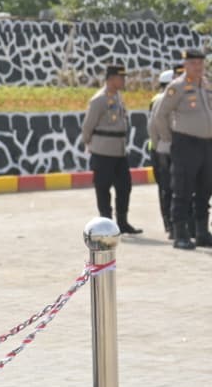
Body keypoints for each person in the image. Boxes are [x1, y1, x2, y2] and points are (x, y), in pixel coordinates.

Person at [152, 48, 212, 250]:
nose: (198, 67)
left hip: (206, 144)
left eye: (201, 63)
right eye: (194, 63)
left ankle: (202, 232)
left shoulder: (205, 84)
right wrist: (170, 139)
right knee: (183, 189)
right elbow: (160, 115)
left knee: (205, 188)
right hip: (185, 143)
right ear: (185, 65)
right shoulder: (176, 87)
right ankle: (181, 234)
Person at [83, 63, 141, 234]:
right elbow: (88, 126)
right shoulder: (99, 99)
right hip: (103, 151)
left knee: (124, 186)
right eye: (121, 77)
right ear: (111, 79)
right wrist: (89, 144)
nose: (123, 80)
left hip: (119, 151)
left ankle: (122, 222)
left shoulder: (118, 97)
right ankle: (106, 223)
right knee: (103, 187)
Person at [148, 66, 181, 237]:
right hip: (163, 148)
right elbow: (154, 126)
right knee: (168, 187)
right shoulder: (160, 99)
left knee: (167, 188)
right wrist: (164, 141)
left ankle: (170, 223)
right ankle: (170, 223)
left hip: (159, 148)